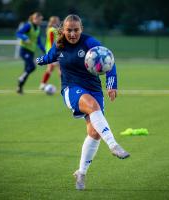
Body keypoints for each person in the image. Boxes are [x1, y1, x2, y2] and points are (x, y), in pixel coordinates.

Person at [36, 14, 130, 190]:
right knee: (92, 106)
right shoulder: (59, 45)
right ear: (63, 30)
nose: (72, 34)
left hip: (94, 88)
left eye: (76, 30)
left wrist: (111, 84)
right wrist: (39, 60)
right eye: (69, 30)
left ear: (81, 29)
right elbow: (49, 57)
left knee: (94, 133)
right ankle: (113, 144)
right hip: (71, 88)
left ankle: (81, 173)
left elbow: (109, 59)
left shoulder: (90, 42)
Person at [16, 12, 46, 94]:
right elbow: (18, 33)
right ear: (34, 19)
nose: (40, 21)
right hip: (24, 50)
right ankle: (21, 78)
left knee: (27, 70)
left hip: (31, 51)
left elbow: (39, 42)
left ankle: (19, 88)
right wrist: (25, 38)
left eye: (41, 20)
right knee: (32, 67)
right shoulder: (28, 25)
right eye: (39, 19)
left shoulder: (38, 28)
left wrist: (45, 50)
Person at [39, 16, 61, 90]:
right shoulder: (52, 30)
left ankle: (43, 84)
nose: (59, 22)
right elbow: (52, 42)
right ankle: (66, 84)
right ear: (54, 22)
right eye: (57, 21)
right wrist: (54, 51)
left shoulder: (53, 29)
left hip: (53, 51)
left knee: (51, 68)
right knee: (61, 68)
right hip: (53, 52)